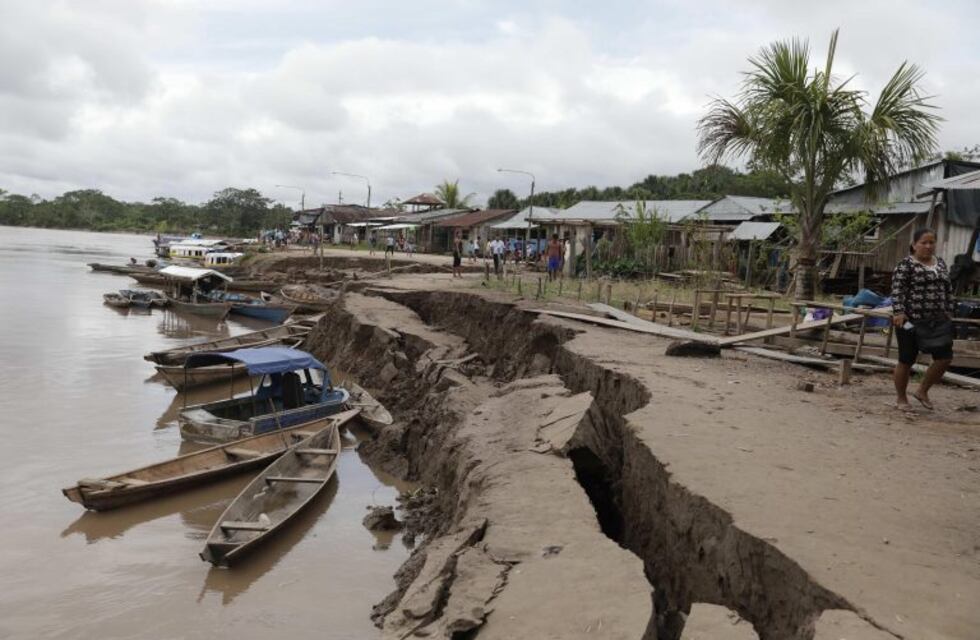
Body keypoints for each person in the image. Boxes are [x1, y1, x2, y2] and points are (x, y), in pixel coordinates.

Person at [891, 227, 955, 411]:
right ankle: (901, 398)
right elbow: (897, 290)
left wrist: (949, 310)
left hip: (937, 321)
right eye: (923, 242)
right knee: (906, 359)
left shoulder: (940, 263)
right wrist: (899, 312)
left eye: (931, 242)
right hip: (910, 321)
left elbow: (948, 290)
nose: (928, 246)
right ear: (914, 245)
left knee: (945, 357)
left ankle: (922, 390)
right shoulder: (906, 265)